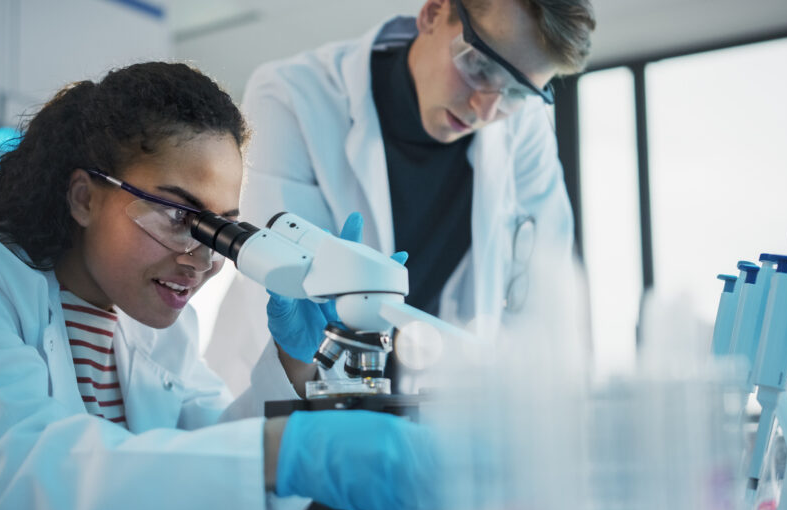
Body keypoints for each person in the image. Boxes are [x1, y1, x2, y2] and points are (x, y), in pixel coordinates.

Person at [0, 62, 437, 510]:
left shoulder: (154, 329)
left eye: (221, 230)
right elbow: (2, 484)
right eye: (179, 216)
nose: (202, 259)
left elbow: (201, 472)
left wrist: (303, 368)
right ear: (85, 197)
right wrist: (282, 451)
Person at [208, 0, 596, 398]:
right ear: (432, 13)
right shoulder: (292, 95)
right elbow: (283, 287)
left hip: (437, 406)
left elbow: (544, 297)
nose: (486, 107)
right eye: (479, 66)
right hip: (281, 401)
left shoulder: (523, 127)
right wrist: (355, 414)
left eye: (518, 90)